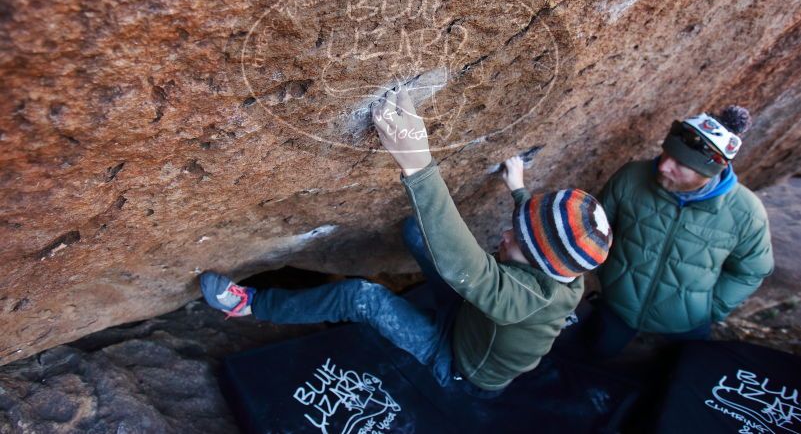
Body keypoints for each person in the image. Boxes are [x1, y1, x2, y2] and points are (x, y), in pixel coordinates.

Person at [199, 84, 612, 396]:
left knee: (362, 298)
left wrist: (418, 165)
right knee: (416, 231)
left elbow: (466, 269)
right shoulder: (564, 267)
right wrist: (519, 188)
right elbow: (535, 243)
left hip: (458, 364)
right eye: (517, 226)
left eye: (517, 241)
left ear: (542, 269)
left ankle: (251, 304)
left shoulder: (527, 301)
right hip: (472, 314)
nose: (505, 235)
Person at [587, 106, 774, 357]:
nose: (664, 166)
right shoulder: (631, 177)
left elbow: (751, 271)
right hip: (616, 308)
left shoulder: (746, 213)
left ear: (709, 172)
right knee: (587, 364)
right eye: (666, 153)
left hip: (686, 325)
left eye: (680, 163)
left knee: (670, 383)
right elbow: (596, 228)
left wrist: (710, 309)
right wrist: (607, 276)